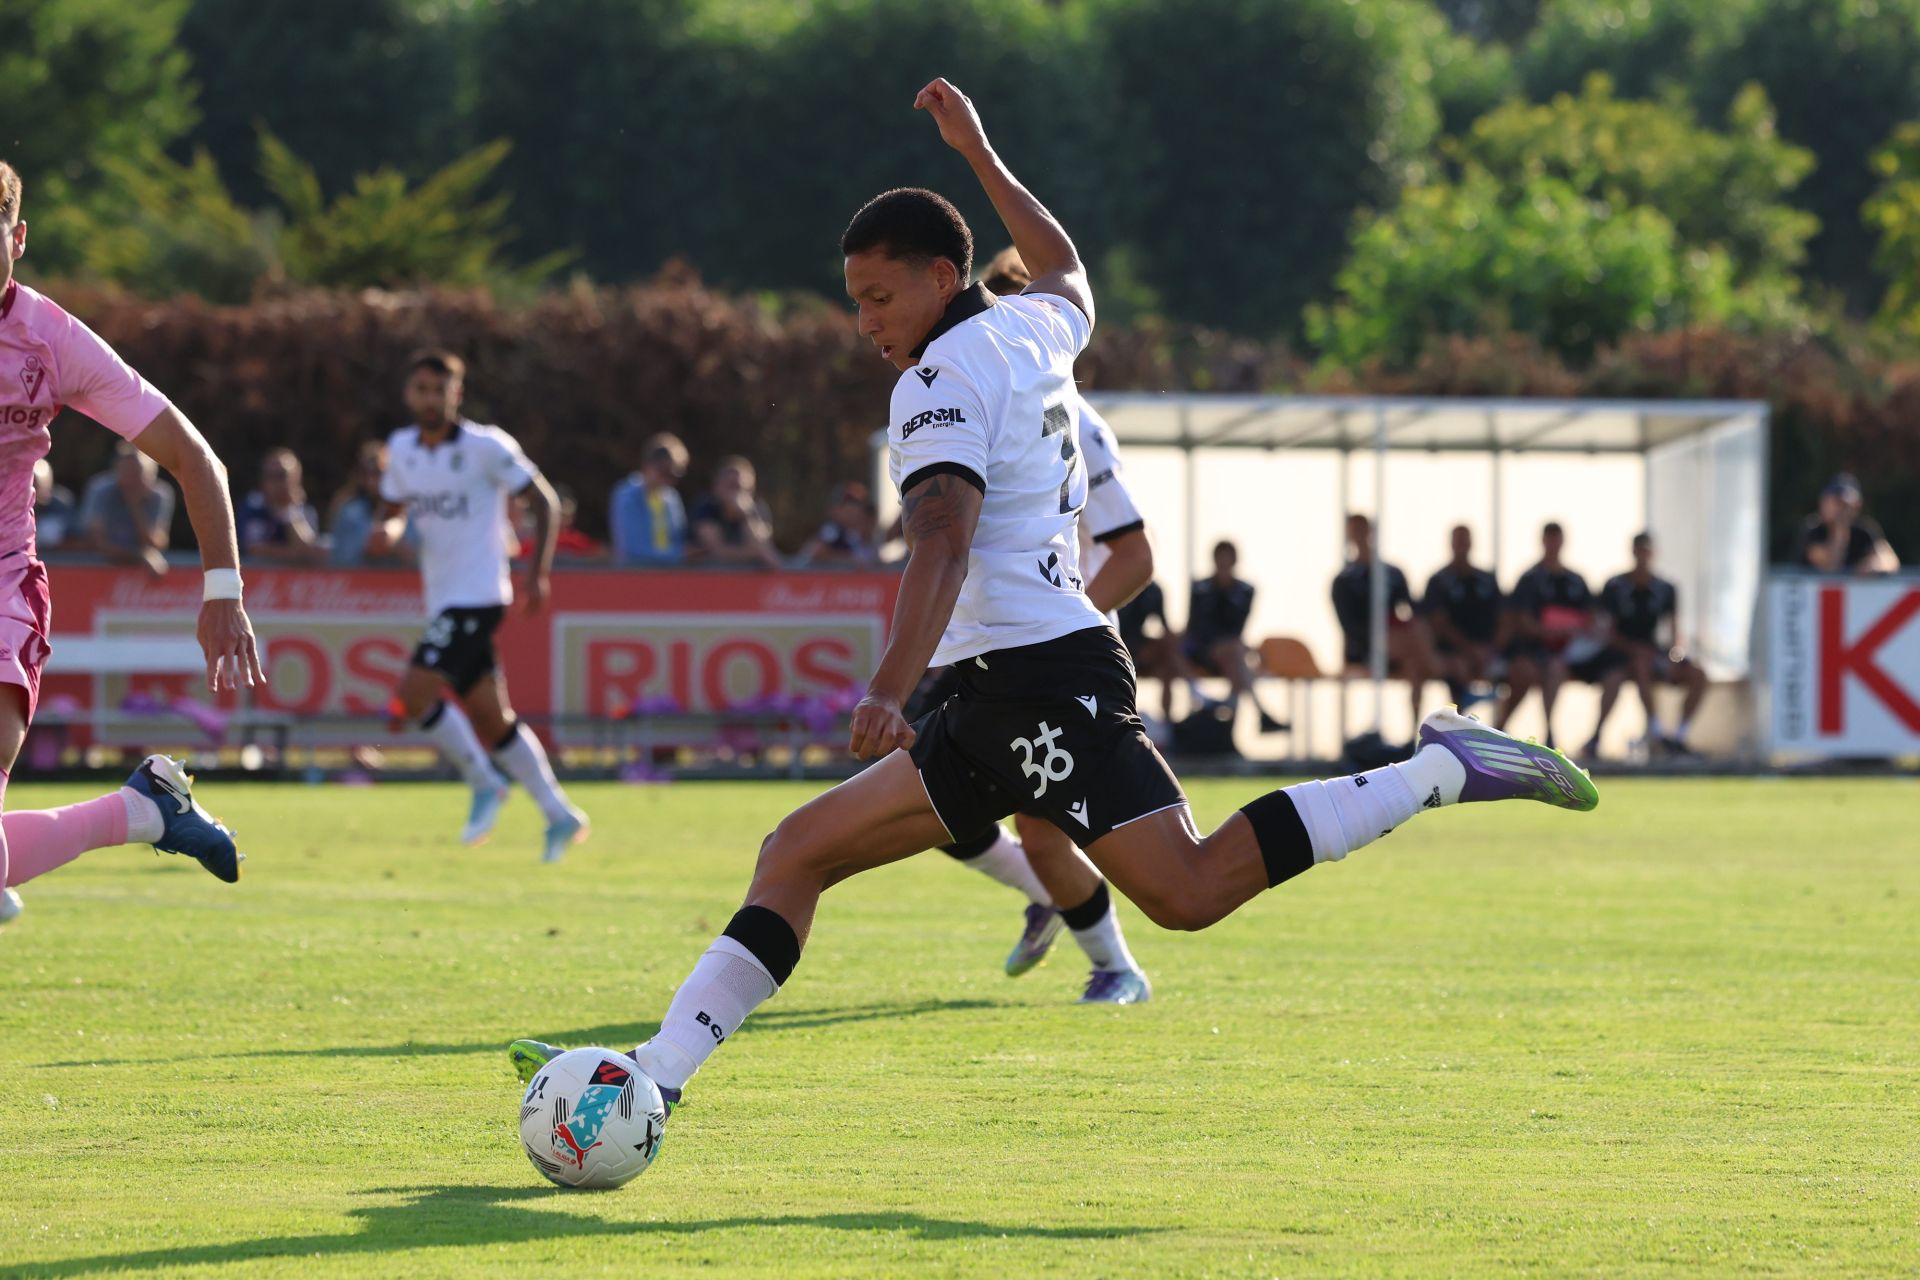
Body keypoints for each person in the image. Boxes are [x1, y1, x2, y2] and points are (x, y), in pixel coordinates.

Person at [509, 82, 1598, 1143]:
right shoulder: (1037, 327)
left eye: (878, 297)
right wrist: (977, 151)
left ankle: (1440, 767)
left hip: (1044, 680)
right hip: (999, 686)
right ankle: (653, 1075)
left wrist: (889, 686)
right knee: (796, 849)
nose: (863, 323)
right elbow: (1069, 263)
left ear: (942, 278)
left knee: (1191, 887)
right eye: (853, 300)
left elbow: (940, 538)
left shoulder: (935, 379)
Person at [0, 157, 263, 929]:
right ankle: (143, 809)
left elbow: (193, 458)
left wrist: (223, 593)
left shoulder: (48, 341)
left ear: (16, 239)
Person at [928, 243, 1156, 1005]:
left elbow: (1135, 554)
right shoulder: (966, 393)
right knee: (946, 804)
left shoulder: (1074, 417)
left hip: (1056, 658)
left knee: (1060, 828)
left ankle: (1115, 964)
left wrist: (1067, 623)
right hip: (992, 650)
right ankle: (1084, 933)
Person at [367, 349, 589, 861]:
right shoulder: (401, 449)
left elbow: (544, 500)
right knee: (492, 718)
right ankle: (559, 813)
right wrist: (388, 531)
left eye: (438, 390)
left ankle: (484, 783)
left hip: (480, 595)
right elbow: (394, 510)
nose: (428, 399)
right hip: (442, 599)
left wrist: (537, 574)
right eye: (420, 389)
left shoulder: (487, 446)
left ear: (456, 394)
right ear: (409, 394)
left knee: (412, 696)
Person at [1585, 532, 1708, 758]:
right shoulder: (1615, 586)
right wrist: (1633, 649)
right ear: (1633, 552)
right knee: (1634, 667)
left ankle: (1679, 736)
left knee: (1697, 674)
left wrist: (1675, 655)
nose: (1643, 556)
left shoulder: (1665, 588)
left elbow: (1674, 630)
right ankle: (1653, 729)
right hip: (1620, 654)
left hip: (1653, 652)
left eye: (1647, 551)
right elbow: (1606, 631)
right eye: (1639, 551)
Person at [1496, 522, 1598, 749]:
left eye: (1557, 539)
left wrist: (1569, 631)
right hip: (1530, 648)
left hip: (1566, 651)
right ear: (1543, 541)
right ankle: (1499, 728)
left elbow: (1590, 618)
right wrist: (1548, 631)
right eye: (1549, 539)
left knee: (1555, 668)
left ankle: (1549, 731)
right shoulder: (1530, 578)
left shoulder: (1575, 580)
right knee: (1524, 672)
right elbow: (1521, 620)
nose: (1553, 545)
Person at [1330, 513, 1436, 728]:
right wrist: (1384, 637)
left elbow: (1412, 608)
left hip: (1402, 647)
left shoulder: (1391, 573)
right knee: (1415, 648)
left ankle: (1414, 734)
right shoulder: (1344, 580)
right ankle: (1441, 667)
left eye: (1363, 529)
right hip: (1365, 648)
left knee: (1415, 661)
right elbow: (1349, 625)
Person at [1185, 540, 1284, 732]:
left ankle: (1229, 726)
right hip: (1205, 651)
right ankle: (1260, 713)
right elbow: (1197, 626)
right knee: (1238, 653)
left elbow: (1238, 625)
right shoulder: (1201, 588)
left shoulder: (1245, 590)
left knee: (1236, 659)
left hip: (1231, 653)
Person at [1421, 525, 1504, 708]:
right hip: (1450, 651)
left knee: (1519, 668)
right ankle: (1458, 720)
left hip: (1486, 651)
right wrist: (1469, 649)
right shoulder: (1438, 581)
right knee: (1457, 666)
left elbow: (1504, 616)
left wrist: (1491, 649)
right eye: (1458, 540)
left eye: (1464, 540)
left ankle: (1496, 729)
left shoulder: (1486, 579)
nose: (1461, 545)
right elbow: (1437, 622)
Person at [80, 441, 174, 576]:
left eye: (137, 475)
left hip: (136, 576)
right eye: (127, 473)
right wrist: (139, 556)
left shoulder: (160, 495)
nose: (131, 480)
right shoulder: (100, 490)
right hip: (97, 571)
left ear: (151, 476)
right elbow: (95, 542)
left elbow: (157, 544)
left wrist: (135, 507)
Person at [1794, 473, 1899, 575]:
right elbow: (1831, 566)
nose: (1842, 509)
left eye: (1846, 504)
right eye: (1837, 502)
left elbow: (1890, 561)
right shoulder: (1813, 528)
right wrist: (1840, 529)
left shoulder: (1864, 530)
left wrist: (1871, 566)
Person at [328, 440, 412, 566]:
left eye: (378, 473)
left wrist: (394, 543)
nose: (371, 481)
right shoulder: (349, 512)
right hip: (360, 583)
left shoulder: (410, 510)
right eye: (365, 473)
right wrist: (370, 543)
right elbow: (340, 558)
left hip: (402, 583)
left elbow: (419, 557)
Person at [609, 433, 689, 566]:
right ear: (648, 464)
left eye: (677, 473)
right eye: (665, 471)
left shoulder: (672, 498)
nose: (670, 478)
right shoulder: (626, 495)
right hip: (636, 576)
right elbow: (632, 549)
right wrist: (679, 555)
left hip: (669, 575)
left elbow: (677, 539)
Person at [239, 447, 326, 564]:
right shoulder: (252, 507)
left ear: (297, 479)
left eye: (282, 475)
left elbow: (308, 549)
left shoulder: (305, 511)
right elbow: (255, 550)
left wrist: (288, 512)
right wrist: (294, 553)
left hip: (296, 580)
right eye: (270, 476)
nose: (276, 483)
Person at [690, 456, 782, 568]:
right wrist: (755, 553)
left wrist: (745, 516)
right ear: (716, 486)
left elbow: (765, 548)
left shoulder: (757, 508)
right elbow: (716, 551)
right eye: (731, 486)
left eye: (743, 488)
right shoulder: (706, 507)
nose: (736, 493)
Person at [1115, 580, 1183, 725]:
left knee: (1167, 659)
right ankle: (1118, 718)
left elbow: (1163, 625)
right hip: (1115, 645)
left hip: (1138, 646)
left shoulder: (1154, 590)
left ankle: (1167, 722)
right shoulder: (1116, 582)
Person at [796, 482, 881, 566]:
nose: (854, 510)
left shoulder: (859, 532)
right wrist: (852, 560)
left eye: (858, 505)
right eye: (848, 505)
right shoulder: (832, 529)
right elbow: (817, 552)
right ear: (835, 510)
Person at [31, 460, 75, 550]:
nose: (33, 489)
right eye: (31, 484)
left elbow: (75, 538)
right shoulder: (9, 506)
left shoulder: (62, 505)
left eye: (37, 484)